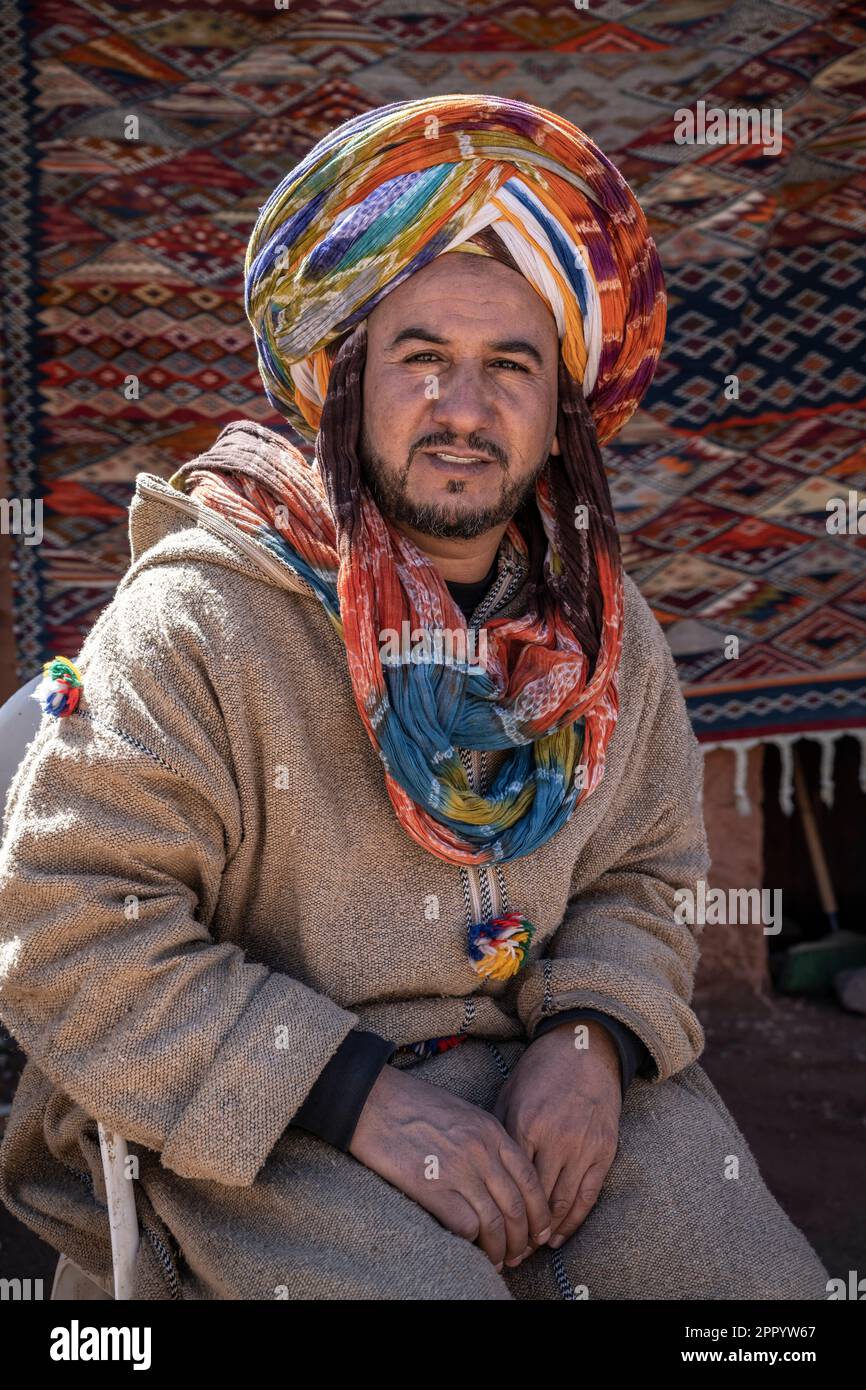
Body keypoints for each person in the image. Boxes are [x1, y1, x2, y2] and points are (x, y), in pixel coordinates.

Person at [0, 95, 829, 1300]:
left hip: (540, 1079)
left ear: (559, 413)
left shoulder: (604, 634)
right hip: (271, 1116)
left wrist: (591, 1035)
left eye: (509, 366)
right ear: (344, 380)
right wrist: (357, 1096)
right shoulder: (202, 618)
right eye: (421, 358)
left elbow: (643, 872)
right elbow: (63, 920)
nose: (462, 407)